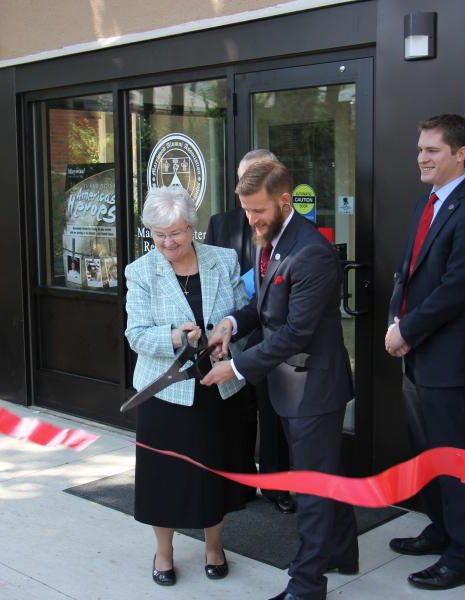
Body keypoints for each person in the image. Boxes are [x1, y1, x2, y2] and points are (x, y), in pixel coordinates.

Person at [201, 159, 359, 600]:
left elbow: (295, 332)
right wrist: (231, 323)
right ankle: (342, 552)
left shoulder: (312, 251)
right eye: (246, 210)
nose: (250, 219)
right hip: (289, 386)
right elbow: (264, 307)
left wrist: (235, 366)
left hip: (315, 388)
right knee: (326, 477)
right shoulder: (267, 239)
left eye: (258, 210)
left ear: (285, 200)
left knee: (312, 489)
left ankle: (307, 586)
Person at [384, 114, 465, 591]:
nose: (422, 159)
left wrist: (407, 330)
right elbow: (408, 271)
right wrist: (397, 319)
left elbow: (457, 289)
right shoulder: (428, 201)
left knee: (456, 462)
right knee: (426, 455)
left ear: (460, 153)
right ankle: (441, 529)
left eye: (432, 150)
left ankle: (462, 557)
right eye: (419, 150)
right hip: (417, 356)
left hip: (448, 361)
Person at [124, 185, 249, 587]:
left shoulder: (222, 260)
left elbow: (243, 317)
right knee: (165, 477)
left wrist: (225, 338)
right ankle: (165, 551)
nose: (167, 242)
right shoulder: (140, 271)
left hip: (216, 387)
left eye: (175, 233)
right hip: (165, 392)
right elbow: (136, 335)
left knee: (215, 472)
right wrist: (175, 336)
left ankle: (214, 545)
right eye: (159, 235)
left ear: (192, 228)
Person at [206, 148, 295, 515]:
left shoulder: (289, 226)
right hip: (233, 329)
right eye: (245, 177)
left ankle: (276, 486)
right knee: (237, 411)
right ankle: (239, 482)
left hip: (273, 333)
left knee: (271, 413)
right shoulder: (221, 222)